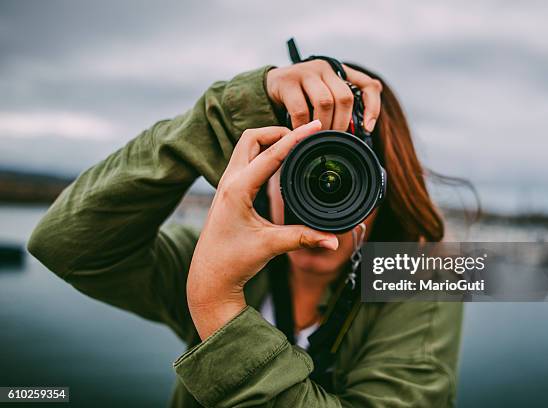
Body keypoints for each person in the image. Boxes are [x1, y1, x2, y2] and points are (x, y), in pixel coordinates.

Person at [28, 59, 463, 407]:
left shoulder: (428, 277)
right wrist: (220, 111)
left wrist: (218, 309)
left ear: (384, 189)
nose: (318, 205)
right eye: (297, 168)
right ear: (262, 174)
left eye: (347, 177)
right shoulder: (213, 259)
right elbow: (65, 243)